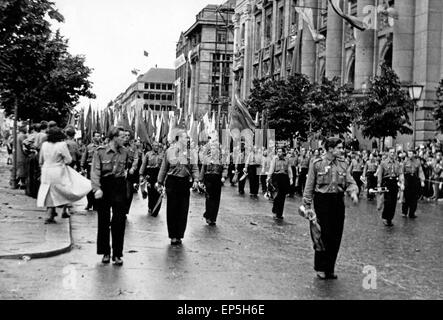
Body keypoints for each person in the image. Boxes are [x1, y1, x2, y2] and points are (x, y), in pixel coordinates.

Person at [302, 137, 359, 280]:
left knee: (336, 236)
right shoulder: (317, 163)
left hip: (337, 201)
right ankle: (321, 267)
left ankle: (330, 268)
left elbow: (350, 182)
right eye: (339, 148)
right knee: (321, 235)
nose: (342, 150)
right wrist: (307, 206)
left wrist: (353, 192)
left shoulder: (343, 164)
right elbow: (309, 186)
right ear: (330, 149)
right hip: (322, 202)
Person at [91, 126, 131, 266]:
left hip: (119, 186)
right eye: (121, 136)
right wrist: (96, 189)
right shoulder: (100, 152)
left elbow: (126, 167)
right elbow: (95, 171)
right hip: (105, 186)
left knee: (119, 220)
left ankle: (118, 254)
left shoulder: (125, 152)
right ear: (114, 137)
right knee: (103, 220)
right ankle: (105, 252)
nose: (124, 139)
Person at [156, 129, 199, 246]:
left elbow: (194, 167)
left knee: (183, 209)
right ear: (178, 138)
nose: (188, 140)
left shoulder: (191, 152)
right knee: (172, 209)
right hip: (172, 182)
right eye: (185, 138)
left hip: (184, 183)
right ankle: (173, 235)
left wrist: (196, 180)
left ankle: (179, 234)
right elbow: (164, 168)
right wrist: (159, 182)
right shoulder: (169, 151)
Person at [36, 127, 76, 223]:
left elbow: (41, 160)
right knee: (64, 190)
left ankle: (50, 213)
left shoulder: (44, 145)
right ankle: (64, 210)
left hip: (46, 170)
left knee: (48, 191)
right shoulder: (62, 145)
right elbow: (69, 159)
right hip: (58, 171)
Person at [199, 140, 228, 226]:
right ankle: (208, 215)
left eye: (214, 148)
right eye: (211, 148)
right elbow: (203, 169)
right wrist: (200, 180)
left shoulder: (221, 158)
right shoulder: (206, 158)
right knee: (208, 198)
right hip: (208, 178)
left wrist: (223, 176)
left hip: (217, 178)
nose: (213, 149)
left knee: (216, 199)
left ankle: (213, 218)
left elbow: (225, 168)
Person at [377, 147, 404, 227]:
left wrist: (402, 182)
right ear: (388, 153)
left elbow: (400, 173)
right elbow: (380, 175)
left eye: (393, 152)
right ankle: (385, 217)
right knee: (388, 202)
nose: (392, 154)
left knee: (393, 202)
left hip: (394, 183)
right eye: (391, 152)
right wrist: (379, 184)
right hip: (387, 182)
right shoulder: (383, 163)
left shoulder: (397, 163)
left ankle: (390, 219)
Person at [267, 147, 293, 220]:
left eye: (280, 152)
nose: (279, 153)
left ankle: (279, 214)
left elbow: (289, 169)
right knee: (276, 195)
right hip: (276, 178)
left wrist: (291, 178)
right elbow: (272, 168)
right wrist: (268, 177)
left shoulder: (287, 160)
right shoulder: (275, 159)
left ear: (283, 153)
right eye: (278, 152)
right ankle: (275, 210)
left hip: (284, 178)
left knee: (282, 196)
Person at [139, 141, 163, 217]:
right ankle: (150, 206)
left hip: (158, 174)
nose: (156, 147)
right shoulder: (148, 154)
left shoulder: (162, 155)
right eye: (155, 146)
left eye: (158, 146)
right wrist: (141, 175)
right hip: (150, 175)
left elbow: (164, 166)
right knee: (151, 192)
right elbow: (144, 165)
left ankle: (156, 209)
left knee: (158, 192)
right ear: (152, 146)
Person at [401, 149, 425, 219]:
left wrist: (422, 180)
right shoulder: (405, 161)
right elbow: (401, 171)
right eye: (408, 154)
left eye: (411, 154)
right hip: (407, 179)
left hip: (414, 179)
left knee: (414, 197)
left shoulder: (417, 162)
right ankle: (404, 212)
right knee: (406, 196)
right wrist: (402, 182)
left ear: (414, 154)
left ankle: (412, 213)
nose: (409, 155)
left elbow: (420, 171)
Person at [81, 131, 102, 211]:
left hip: (98, 168)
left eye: (99, 136)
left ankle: (96, 204)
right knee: (89, 187)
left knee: (97, 186)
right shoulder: (89, 147)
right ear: (93, 137)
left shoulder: (103, 147)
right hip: (90, 168)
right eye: (96, 136)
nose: (98, 138)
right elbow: (84, 157)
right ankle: (89, 203)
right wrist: (82, 167)